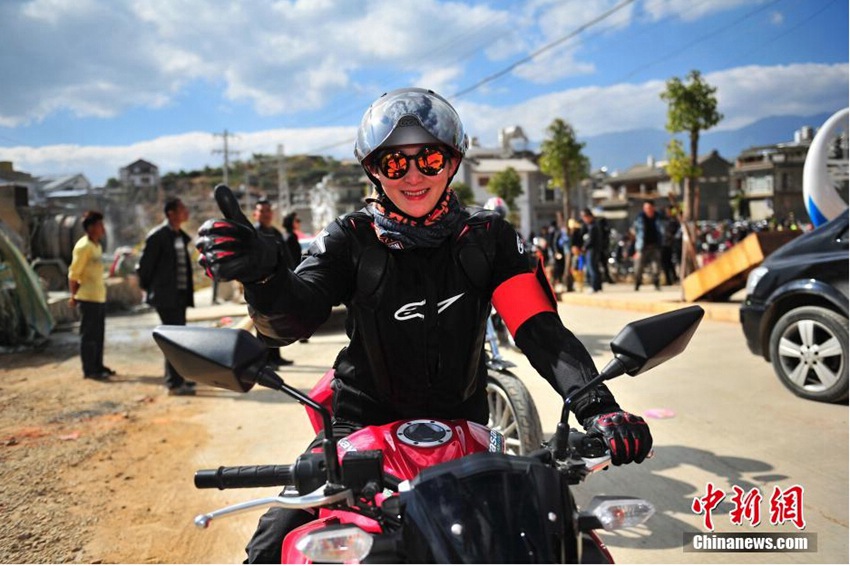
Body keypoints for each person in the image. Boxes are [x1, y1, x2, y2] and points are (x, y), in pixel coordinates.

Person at [196, 87, 651, 563]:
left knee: (563, 542)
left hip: (466, 431)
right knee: (274, 540)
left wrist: (600, 408)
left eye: (429, 159)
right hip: (359, 429)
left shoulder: (489, 237)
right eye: (395, 162)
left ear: (452, 162)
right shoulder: (349, 238)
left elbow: (541, 331)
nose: (413, 176)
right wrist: (264, 276)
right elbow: (290, 322)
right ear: (373, 168)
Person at [136, 198, 196, 396]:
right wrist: (151, 289)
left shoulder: (179, 236)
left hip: (179, 295)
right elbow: (144, 268)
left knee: (179, 338)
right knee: (173, 340)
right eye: (182, 209)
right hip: (166, 297)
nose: (186, 212)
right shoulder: (158, 236)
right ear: (171, 213)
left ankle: (179, 378)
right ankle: (174, 383)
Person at [68, 210, 116, 380]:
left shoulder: (97, 246)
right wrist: (73, 296)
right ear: (90, 228)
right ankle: (89, 369)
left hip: (98, 297)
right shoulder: (83, 247)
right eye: (99, 225)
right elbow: (74, 274)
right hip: (87, 298)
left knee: (98, 335)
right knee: (89, 335)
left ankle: (98, 365)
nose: (103, 228)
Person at [255, 199, 294, 367]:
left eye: (268, 211)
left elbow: (285, 257)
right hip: (260, 286)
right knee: (262, 324)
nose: (265, 214)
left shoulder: (275, 232)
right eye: (262, 211)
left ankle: (275, 357)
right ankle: (264, 360)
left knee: (275, 323)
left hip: (277, 284)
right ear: (255, 214)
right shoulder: (254, 234)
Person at [632, 200, 665, 291]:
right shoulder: (640, 218)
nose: (647, 209)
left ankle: (656, 283)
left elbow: (663, 230)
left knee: (656, 267)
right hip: (642, 246)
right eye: (645, 208)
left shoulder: (658, 217)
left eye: (649, 208)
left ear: (653, 208)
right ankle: (637, 283)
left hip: (655, 245)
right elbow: (635, 230)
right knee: (638, 267)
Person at [580, 208, 604, 294]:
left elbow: (591, 240)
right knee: (595, 267)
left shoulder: (593, 226)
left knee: (592, 268)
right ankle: (598, 286)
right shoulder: (591, 225)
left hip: (592, 249)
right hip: (594, 249)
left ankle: (594, 286)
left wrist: (584, 247)